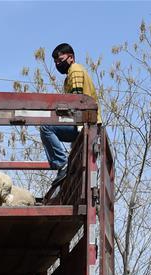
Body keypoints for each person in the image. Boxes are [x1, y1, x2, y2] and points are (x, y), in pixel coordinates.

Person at [40, 43, 102, 185]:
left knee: (46, 127)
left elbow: (77, 100)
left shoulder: (75, 71)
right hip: (84, 123)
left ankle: (62, 164)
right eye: (55, 62)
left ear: (71, 58)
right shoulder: (69, 76)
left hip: (85, 123)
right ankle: (65, 165)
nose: (57, 64)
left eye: (60, 60)